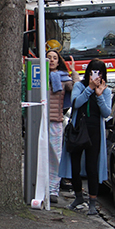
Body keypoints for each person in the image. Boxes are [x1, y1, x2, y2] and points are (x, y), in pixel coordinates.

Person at [59, 58, 111, 216]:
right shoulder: (80, 86)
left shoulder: (106, 90)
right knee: (75, 166)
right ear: (88, 73)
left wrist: (99, 94)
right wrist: (89, 89)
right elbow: (76, 103)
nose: (95, 76)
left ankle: (93, 202)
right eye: (93, 72)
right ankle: (78, 197)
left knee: (92, 167)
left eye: (99, 73)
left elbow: (106, 113)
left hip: (95, 132)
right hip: (78, 130)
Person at [46, 50, 79, 204]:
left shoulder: (64, 79)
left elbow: (77, 92)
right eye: (49, 57)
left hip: (55, 121)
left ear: (58, 62)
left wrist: (74, 73)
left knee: (55, 156)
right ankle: (38, 187)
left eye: (54, 58)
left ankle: (53, 189)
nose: (51, 60)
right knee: (37, 155)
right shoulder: (37, 74)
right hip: (38, 121)